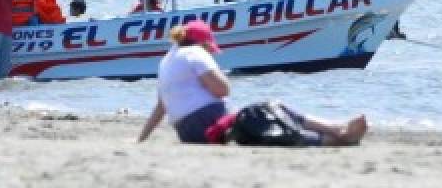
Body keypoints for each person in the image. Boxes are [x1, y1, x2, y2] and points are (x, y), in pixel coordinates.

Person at [137, 20, 368, 146]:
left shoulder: (167, 60)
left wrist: (142, 139)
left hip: (188, 133)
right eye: (211, 47)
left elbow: (161, 107)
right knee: (269, 113)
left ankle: (335, 133)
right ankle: (336, 133)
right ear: (203, 43)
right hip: (207, 125)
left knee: (259, 129)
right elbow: (222, 89)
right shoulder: (195, 53)